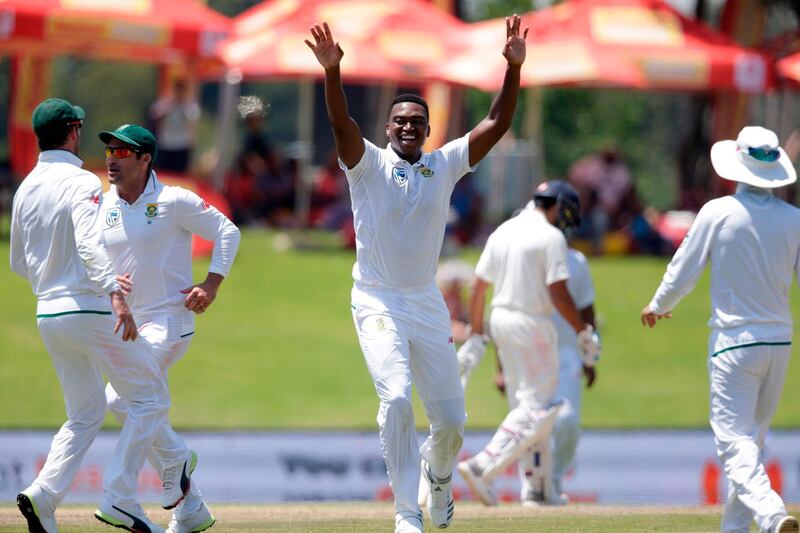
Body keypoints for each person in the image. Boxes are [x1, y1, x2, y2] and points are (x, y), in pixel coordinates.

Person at [305, 15, 528, 533]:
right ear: (388, 128)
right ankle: (407, 510)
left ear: (429, 130)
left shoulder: (445, 163)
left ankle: (440, 474)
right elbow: (341, 124)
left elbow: (497, 123)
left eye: (416, 121)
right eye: (399, 120)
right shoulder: (366, 164)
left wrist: (512, 68)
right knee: (398, 397)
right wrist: (332, 72)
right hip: (377, 299)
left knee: (451, 421)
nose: (407, 126)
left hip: (425, 301)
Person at [11, 99, 170, 533]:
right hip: (87, 307)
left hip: (49, 314)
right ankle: (120, 497)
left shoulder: (26, 186)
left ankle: (43, 495)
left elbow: (19, 264)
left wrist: (62, 278)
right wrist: (114, 291)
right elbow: (87, 241)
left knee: (85, 413)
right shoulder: (82, 181)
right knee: (149, 398)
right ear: (74, 130)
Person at [641, 126, 800, 533]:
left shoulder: (718, 212)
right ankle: (736, 527)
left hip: (734, 342)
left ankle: (770, 512)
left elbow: (684, 268)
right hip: (779, 341)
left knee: (734, 443)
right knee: (751, 444)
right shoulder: (794, 219)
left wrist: (659, 305)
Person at [98, 124, 240, 533]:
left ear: (145, 159)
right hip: (131, 327)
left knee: (126, 399)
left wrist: (211, 284)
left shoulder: (173, 199)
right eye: (109, 150)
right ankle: (189, 502)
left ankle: (119, 492)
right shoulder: (103, 205)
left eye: (123, 153)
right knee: (120, 402)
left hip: (170, 321)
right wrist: (108, 284)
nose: (111, 158)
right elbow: (92, 259)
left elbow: (227, 231)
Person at [455, 181, 600, 507]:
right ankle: (481, 466)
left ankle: (539, 489)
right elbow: (559, 293)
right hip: (532, 323)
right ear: (557, 206)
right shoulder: (551, 238)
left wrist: (478, 334)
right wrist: (583, 332)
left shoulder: (503, 231)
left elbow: (478, 289)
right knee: (536, 408)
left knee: (529, 406)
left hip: (501, 321)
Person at [148, 78, 200, 174]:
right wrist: (171, 105)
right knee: (163, 174)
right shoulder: (164, 102)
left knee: (179, 174)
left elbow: (192, 121)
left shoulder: (189, 105)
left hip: (182, 145)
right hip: (166, 144)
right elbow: (155, 116)